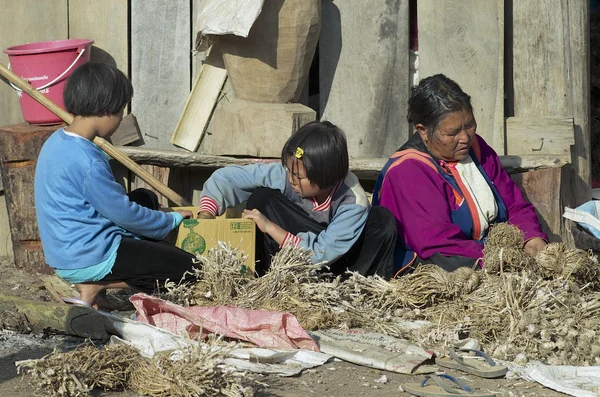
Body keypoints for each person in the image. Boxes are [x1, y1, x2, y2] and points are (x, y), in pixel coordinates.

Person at [34, 61, 196, 309]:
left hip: (66, 249)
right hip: (88, 256)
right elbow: (124, 214)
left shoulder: (56, 141)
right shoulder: (87, 161)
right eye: (120, 112)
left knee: (144, 198)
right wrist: (170, 220)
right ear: (106, 110)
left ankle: (100, 291)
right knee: (191, 269)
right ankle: (96, 284)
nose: (120, 119)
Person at [373, 74, 548, 274]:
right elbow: (437, 243)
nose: (465, 137)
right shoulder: (407, 172)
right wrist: (500, 259)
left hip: (491, 253)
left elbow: (515, 205)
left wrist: (532, 239)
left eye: (469, 125)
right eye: (452, 133)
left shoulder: (477, 148)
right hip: (438, 263)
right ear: (423, 131)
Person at [197, 121, 398, 278]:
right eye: (290, 172)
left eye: (299, 177)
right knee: (263, 197)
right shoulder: (288, 174)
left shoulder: (352, 201)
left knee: (382, 220)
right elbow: (229, 178)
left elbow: (320, 254)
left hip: (336, 262)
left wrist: (270, 228)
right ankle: (268, 273)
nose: (291, 180)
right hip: (290, 254)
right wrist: (206, 214)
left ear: (326, 176)